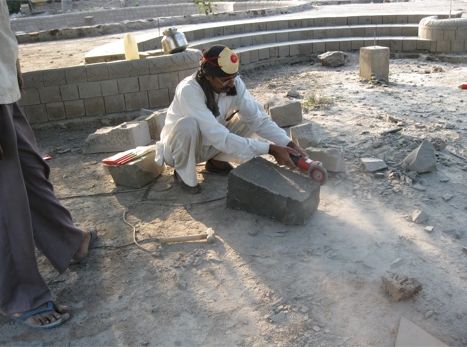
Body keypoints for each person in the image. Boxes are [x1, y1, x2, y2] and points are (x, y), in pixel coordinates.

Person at [0, 0, 96, 329]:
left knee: (30, 171)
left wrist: (11, 66)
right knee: (5, 200)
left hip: (3, 84)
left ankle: (66, 240)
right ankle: (21, 295)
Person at [154, 45, 304, 193]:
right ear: (208, 75)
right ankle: (183, 173)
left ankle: (217, 162)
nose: (232, 83)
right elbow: (219, 137)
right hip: (181, 150)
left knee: (252, 114)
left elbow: (258, 120)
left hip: (210, 143)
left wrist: (287, 143)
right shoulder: (189, 90)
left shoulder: (233, 83)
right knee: (188, 125)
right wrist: (270, 149)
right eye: (225, 79)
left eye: (233, 77)